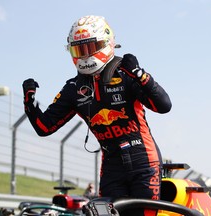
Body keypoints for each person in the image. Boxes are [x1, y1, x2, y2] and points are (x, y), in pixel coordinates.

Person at [22, 15, 172, 216]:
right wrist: (29, 104)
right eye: (79, 50)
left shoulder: (127, 73)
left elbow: (164, 105)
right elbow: (44, 127)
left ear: (106, 43)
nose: (85, 55)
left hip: (143, 161)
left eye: (90, 48)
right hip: (112, 166)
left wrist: (141, 75)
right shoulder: (73, 88)